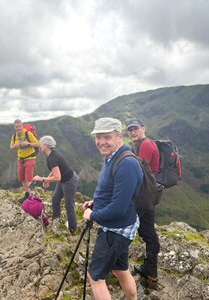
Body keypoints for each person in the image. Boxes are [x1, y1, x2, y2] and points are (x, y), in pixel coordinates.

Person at [82, 117, 143, 300]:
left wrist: (93, 215)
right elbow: (112, 191)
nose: (101, 142)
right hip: (119, 227)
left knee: (95, 277)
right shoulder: (113, 157)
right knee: (120, 270)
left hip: (115, 230)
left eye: (106, 137)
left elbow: (118, 208)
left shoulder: (126, 164)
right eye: (98, 137)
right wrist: (95, 203)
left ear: (119, 136)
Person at [126, 118, 161, 282]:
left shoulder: (146, 145)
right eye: (130, 130)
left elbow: (138, 172)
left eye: (135, 129)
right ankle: (150, 269)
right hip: (147, 194)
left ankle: (118, 265)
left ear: (143, 128)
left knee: (124, 226)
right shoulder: (141, 145)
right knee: (147, 231)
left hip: (143, 194)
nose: (133, 132)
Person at [33, 136, 79, 234]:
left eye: (41, 143)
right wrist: (48, 180)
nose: (39, 145)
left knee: (69, 205)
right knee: (55, 199)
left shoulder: (52, 158)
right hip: (64, 180)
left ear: (46, 145)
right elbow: (55, 170)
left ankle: (73, 229)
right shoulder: (52, 154)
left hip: (69, 181)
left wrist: (42, 179)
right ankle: (56, 223)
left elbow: (57, 177)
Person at [9, 119, 40, 202]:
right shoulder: (14, 136)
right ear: (14, 127)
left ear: (22, 126)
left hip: (30, 158)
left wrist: (28, 144)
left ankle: (32, 197)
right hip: (20, 159)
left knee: (29, 179)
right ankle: (27, 195)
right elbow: (11, 147)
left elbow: (37, 144)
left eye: (19, 126)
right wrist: (18, 145)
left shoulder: (28, 134)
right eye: (16, 127)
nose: (18, 128)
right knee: (22, 178)